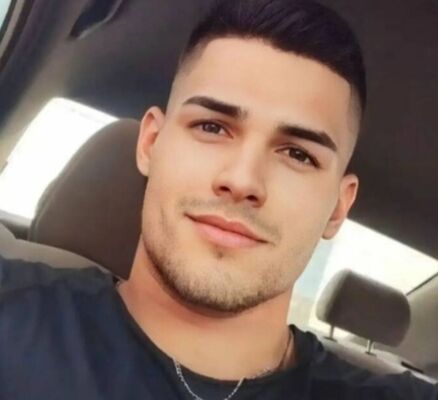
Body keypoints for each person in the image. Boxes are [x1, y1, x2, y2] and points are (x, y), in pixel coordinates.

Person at [0, 0, 437, 398]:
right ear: (151, 143)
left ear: (339, 207)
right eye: (212, 127)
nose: (242, 180)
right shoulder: (13, 315)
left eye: (298, 154)